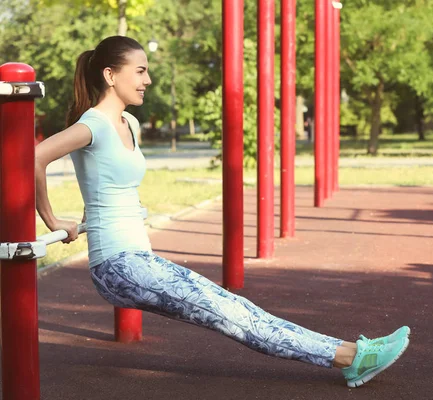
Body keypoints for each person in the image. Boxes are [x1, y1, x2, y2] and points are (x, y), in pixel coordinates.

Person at [34, 36, 410, 388]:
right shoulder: (93, 125)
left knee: (232, 309)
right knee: (233, 312)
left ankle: (350, 355)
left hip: (136, 257)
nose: (148, 79)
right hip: (117, 265)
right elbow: (35, 158)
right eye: (141, 70)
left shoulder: (128, 122)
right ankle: (351, 357)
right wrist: (53, 221)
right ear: (110, 75)